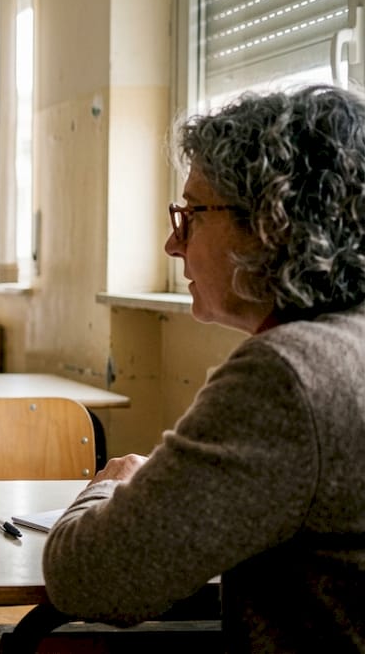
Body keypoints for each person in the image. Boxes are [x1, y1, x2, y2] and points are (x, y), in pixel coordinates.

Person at [42, 85, 365, 650]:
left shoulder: (286, 376)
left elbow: (87, 578)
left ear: (270, 223)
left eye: (191, 215)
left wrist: (110, 489)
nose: (173, 243)